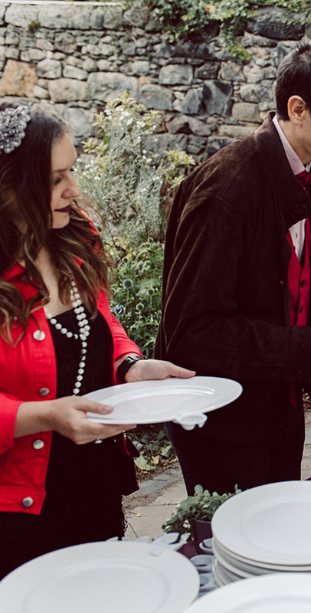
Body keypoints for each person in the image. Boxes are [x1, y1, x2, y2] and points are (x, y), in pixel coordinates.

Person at [155, 40, 311, 496]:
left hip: (277, 402)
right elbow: (192, 333)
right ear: (298, 109)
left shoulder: (308, 174)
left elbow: (304, 294)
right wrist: (308, 345)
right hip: (222, 420)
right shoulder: (226, 191)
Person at [0, 104, 193, 578]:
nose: (75, 190)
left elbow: (101, 325)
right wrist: (44, 415)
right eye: (55, 179)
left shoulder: (76, 241)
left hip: (93, 480)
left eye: (72, 172)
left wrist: (131, 366)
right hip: (18, 508)